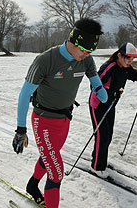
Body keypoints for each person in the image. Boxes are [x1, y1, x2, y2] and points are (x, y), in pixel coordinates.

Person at [12, 18, 108, 208]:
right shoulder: (46, 60)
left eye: (91, 52)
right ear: (74, 41)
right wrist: (20, 129)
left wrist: (100, 90)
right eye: (85, 50)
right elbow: (24, 95)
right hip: (43, 120)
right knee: (55, 172)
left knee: (49, 155)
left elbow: (96, 82)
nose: (87, 55)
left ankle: (32, 185)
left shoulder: (86, 59)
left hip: (64, 120)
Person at [89, 42, 137, 178]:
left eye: (132, 59)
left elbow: (134, 75)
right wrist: (105, 96)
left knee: (108, 135)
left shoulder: (126, 68)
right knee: (102, 136)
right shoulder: (110, 67)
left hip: (111, 105)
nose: (130, 61)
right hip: (98, 106)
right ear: (119, 55)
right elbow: (95, 84)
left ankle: (100, 161)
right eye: (127, 58)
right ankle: (97, 167)